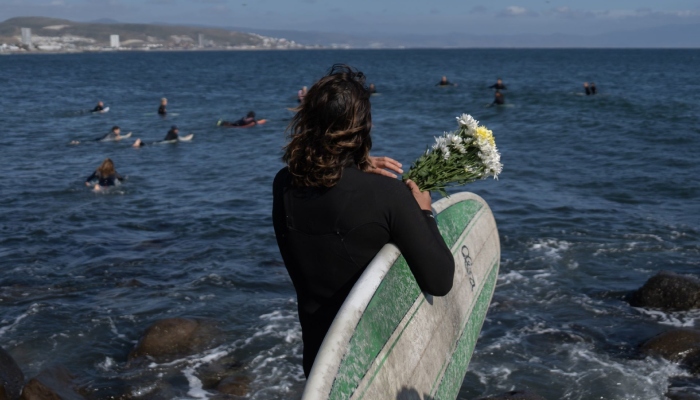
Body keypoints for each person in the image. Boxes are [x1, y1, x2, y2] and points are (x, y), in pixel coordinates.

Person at [272, 64, 455, 377]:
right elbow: (440, 281)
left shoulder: (284, 185)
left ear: (309, 121)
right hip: (377, 365)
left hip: (320, 362)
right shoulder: (388, 195)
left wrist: (354, 165)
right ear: (363, 127)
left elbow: (327, 189)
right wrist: (424, 210)